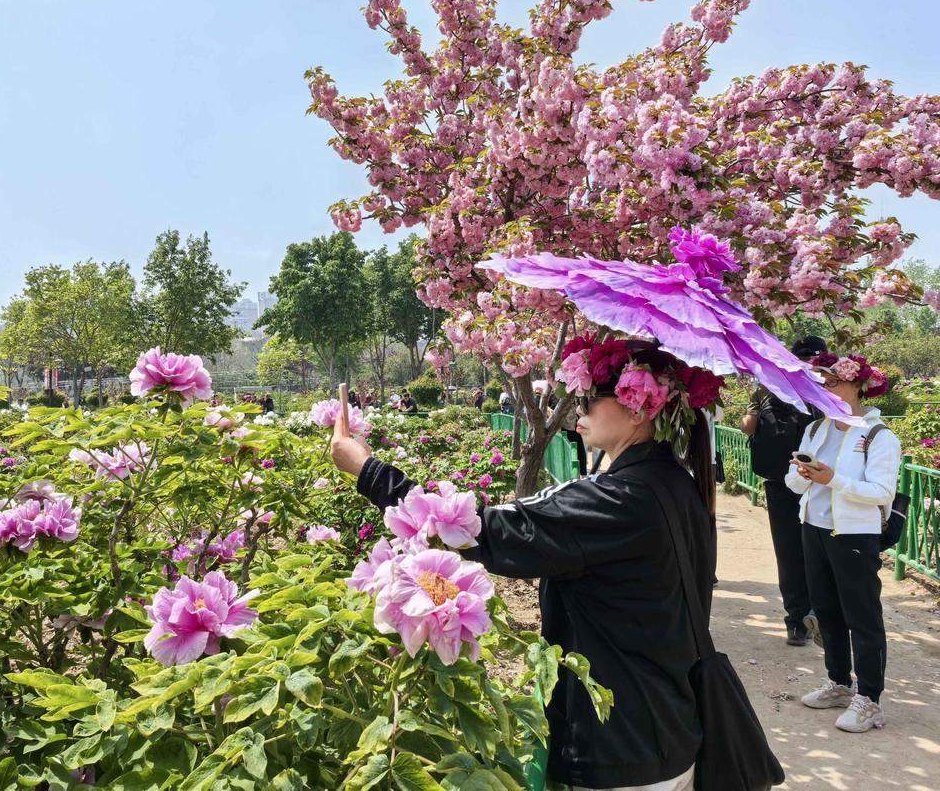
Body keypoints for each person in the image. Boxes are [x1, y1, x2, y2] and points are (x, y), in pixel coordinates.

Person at [332, 338, 720, 790]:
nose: (577, 410)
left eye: (587, 398)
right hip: (667, 728)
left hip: (620, 746)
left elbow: (478, 530)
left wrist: (366, 469)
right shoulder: (677, 482)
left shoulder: (618, 500)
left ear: (638, 407)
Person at [787, 352, 899, 734]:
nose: (825, 388)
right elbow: (793, 483)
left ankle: (870, 699)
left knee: (862, 616)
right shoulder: (817, 430)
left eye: (833, 381)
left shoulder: (878, 435)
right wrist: (803, 474)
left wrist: (832, 479)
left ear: (857, 385)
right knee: (826, 609)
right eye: (820, 383)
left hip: (854, 533)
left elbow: (882, 491)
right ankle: (838, 682)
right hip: (813, 527)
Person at [741, 335, 828, 646]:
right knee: (817, 549)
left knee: (789, 551)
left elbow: (748, 427)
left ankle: (798, 621)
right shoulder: (826, 383)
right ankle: (816, 616)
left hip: (782, 479)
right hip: (816, 481)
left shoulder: (768, 385)